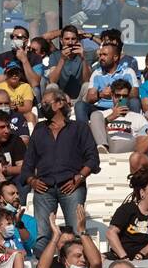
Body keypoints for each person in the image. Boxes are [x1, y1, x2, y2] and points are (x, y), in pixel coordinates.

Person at [22, 90, 100, 248]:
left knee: (77, 233)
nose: (42, 106)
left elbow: (93, 158)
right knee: (42, 235)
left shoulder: (79, 128)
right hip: (43, 188)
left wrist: (80, 177)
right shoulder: (39, 129)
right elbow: (28, 163)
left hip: (72, 186)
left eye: (45, 103)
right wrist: (32, 181)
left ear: (59, 104)